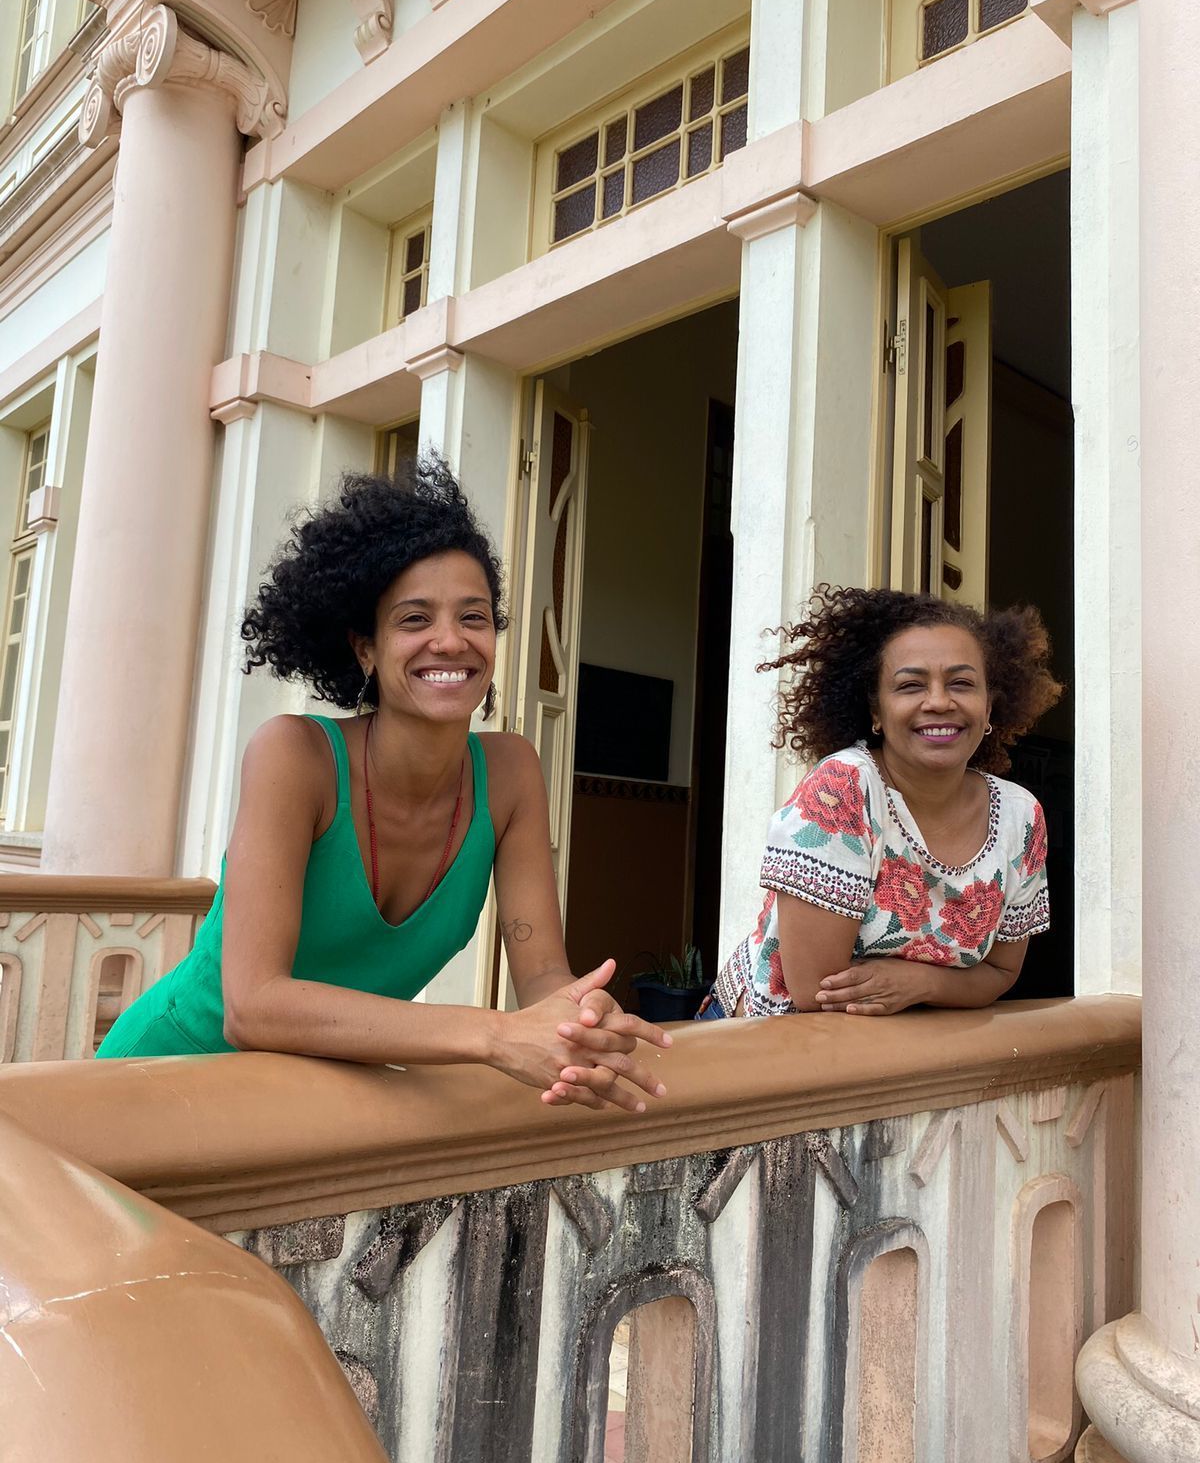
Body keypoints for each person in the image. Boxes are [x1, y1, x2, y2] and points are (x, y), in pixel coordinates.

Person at [99, 462, 670, 1114]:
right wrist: (494, 1035)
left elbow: (540, 973)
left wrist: (579, 1011)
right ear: (365, 648)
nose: (450, 640)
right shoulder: (296, 756)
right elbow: (253, 1005)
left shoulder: (512, 773)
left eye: (474, 616)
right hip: (161, 1078)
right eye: (414, 619)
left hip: (314, 1106)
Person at [699, 586, 1062, 1020]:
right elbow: (818, 993)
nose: (939, 702)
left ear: (988, 710)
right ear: (876, 711)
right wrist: (942, 988)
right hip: (768, 1038)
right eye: (910, 685)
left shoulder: (1020, 817)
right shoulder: (844, 790)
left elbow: (1001, 971)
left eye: (962, 683)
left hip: (904, 1042)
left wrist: (921, 982)